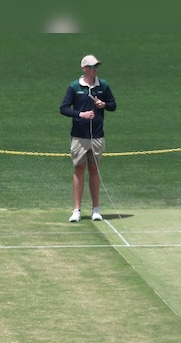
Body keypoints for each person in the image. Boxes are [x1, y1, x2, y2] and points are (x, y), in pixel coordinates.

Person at [59, 54, 117, 222]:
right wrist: (80, 114)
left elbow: (113, 105)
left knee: (94, 169)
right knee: (79, 169)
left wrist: (104, 105)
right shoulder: (74, 86)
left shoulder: (103, 85)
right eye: (92, 67)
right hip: (79, 136)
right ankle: (76, 210)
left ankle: (96, 209)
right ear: (84, 68)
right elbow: (63, 108)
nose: (95, 70)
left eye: (96, 67)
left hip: (97, 135)